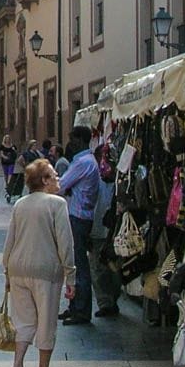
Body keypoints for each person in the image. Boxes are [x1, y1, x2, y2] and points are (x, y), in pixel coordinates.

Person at [2, 158, 75, 367]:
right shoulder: (57, 204)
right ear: (44, 180)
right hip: (46, 270)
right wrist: (70, 275)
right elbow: (65, 243)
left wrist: (7, 270)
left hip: (17, 269)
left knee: (23, 320)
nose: (58, 179)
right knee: (46, 322)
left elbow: (10, 240)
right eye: (54, 176)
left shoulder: (20, 204)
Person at [57, 126, 101, 326]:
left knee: (78, 264)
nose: (69, 143)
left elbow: (61, 185)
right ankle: (75, 306)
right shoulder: (86, 160)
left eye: (72, 139)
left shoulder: (82, 162)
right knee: (75, 262)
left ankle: (81, 310)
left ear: (80, 140)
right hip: (81, 215)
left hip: (78, 217)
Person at [89, 144, 121, 318]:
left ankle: (112, 299)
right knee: (97, 269)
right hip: (97, 230)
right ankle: (105, 302)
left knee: (114, 269)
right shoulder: (93, 177)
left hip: (113, 232)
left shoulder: (119, 178)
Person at [0, 135, 18, 200]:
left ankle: (9, 184)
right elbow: (1, 154)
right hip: (4, 162)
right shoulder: (2, 146)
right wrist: (5, 157)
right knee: (6, 174)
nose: (7, 140)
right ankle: (7, 184)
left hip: (11, 162)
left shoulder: (12, 145)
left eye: (8, 138)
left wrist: (13, 150)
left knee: (10, 173)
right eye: (6, 139)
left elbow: (16, 152)